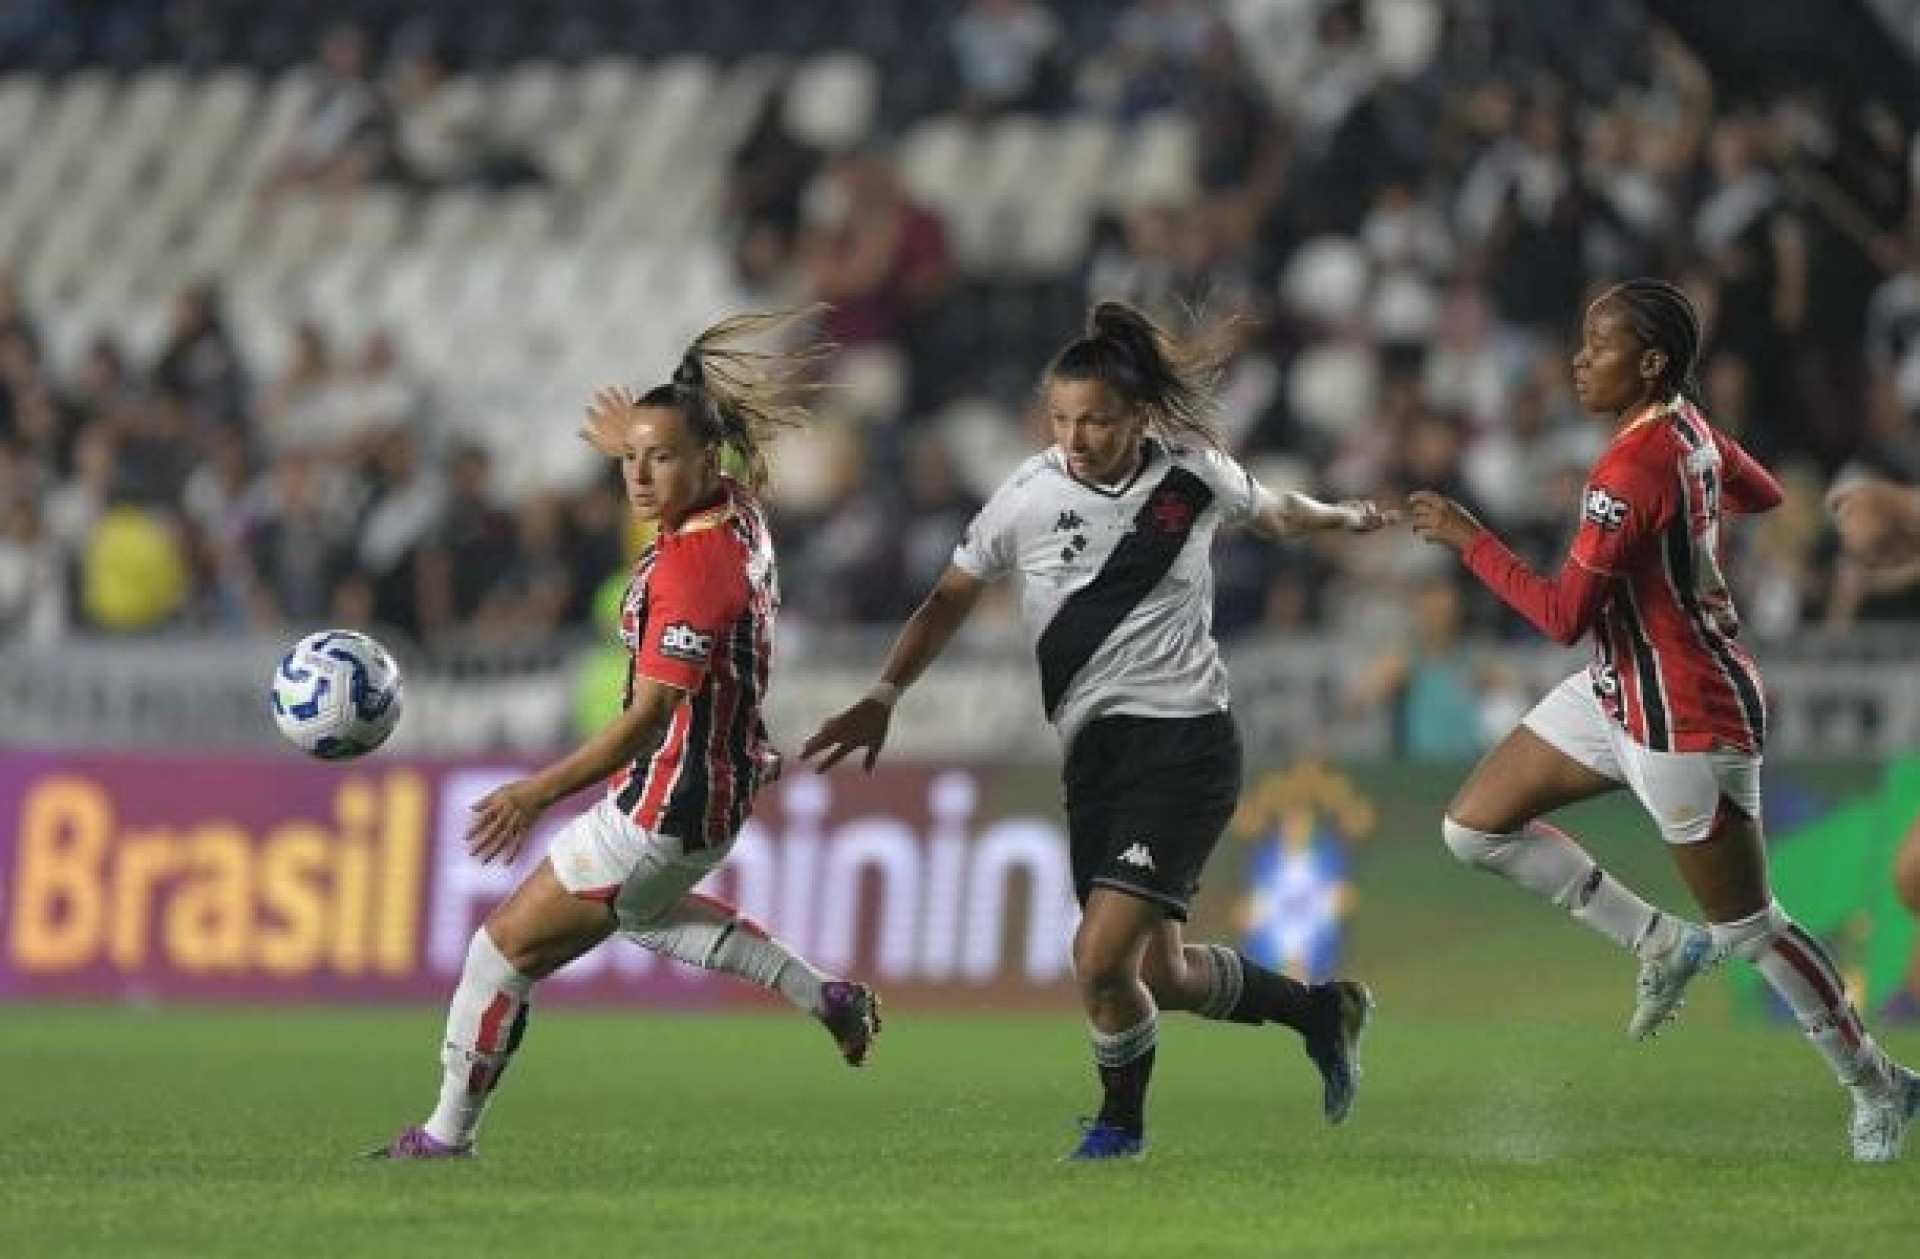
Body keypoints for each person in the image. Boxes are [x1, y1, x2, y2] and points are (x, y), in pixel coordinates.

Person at [801, 300, 1389, 1160]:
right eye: (1063, 418)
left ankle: (1120, 1128)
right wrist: (885, 693)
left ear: (1139, 416)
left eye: (1097, 420)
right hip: (1096, 756)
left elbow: (1276, 509)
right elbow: (947, 601)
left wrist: (1341, 517)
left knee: (1097, 957)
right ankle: (1319, 1010)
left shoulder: (1194, 476)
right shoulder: (1026, 496)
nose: (1076, 437)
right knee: (1159, 974)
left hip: (1185, 741)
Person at [1406, 278, 1920, 1163]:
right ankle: (1658, 940)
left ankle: (1880, 1086)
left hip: (1687, 716)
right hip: (1616, 687)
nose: (1577, 359)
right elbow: (1756, 490)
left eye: (1596, 344)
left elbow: (1563, 612)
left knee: (1752, 928)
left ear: (1648, 362)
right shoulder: (1687, 428)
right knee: (1471, 829)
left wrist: (1468, 540)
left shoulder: (1629, 467)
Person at [371, 309, 882, 1159]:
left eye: (660, 458)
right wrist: (643, 434)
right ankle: (824, 994)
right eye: (630, 459)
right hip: (720, 788)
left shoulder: (692, 571)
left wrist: (533, 792)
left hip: (665, 799)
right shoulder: (740, 513)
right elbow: (691, 459)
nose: (638, 476)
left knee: (498, 957)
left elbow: (645, 721)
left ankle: (443, 1138)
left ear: (704, 459)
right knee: (643, 915)